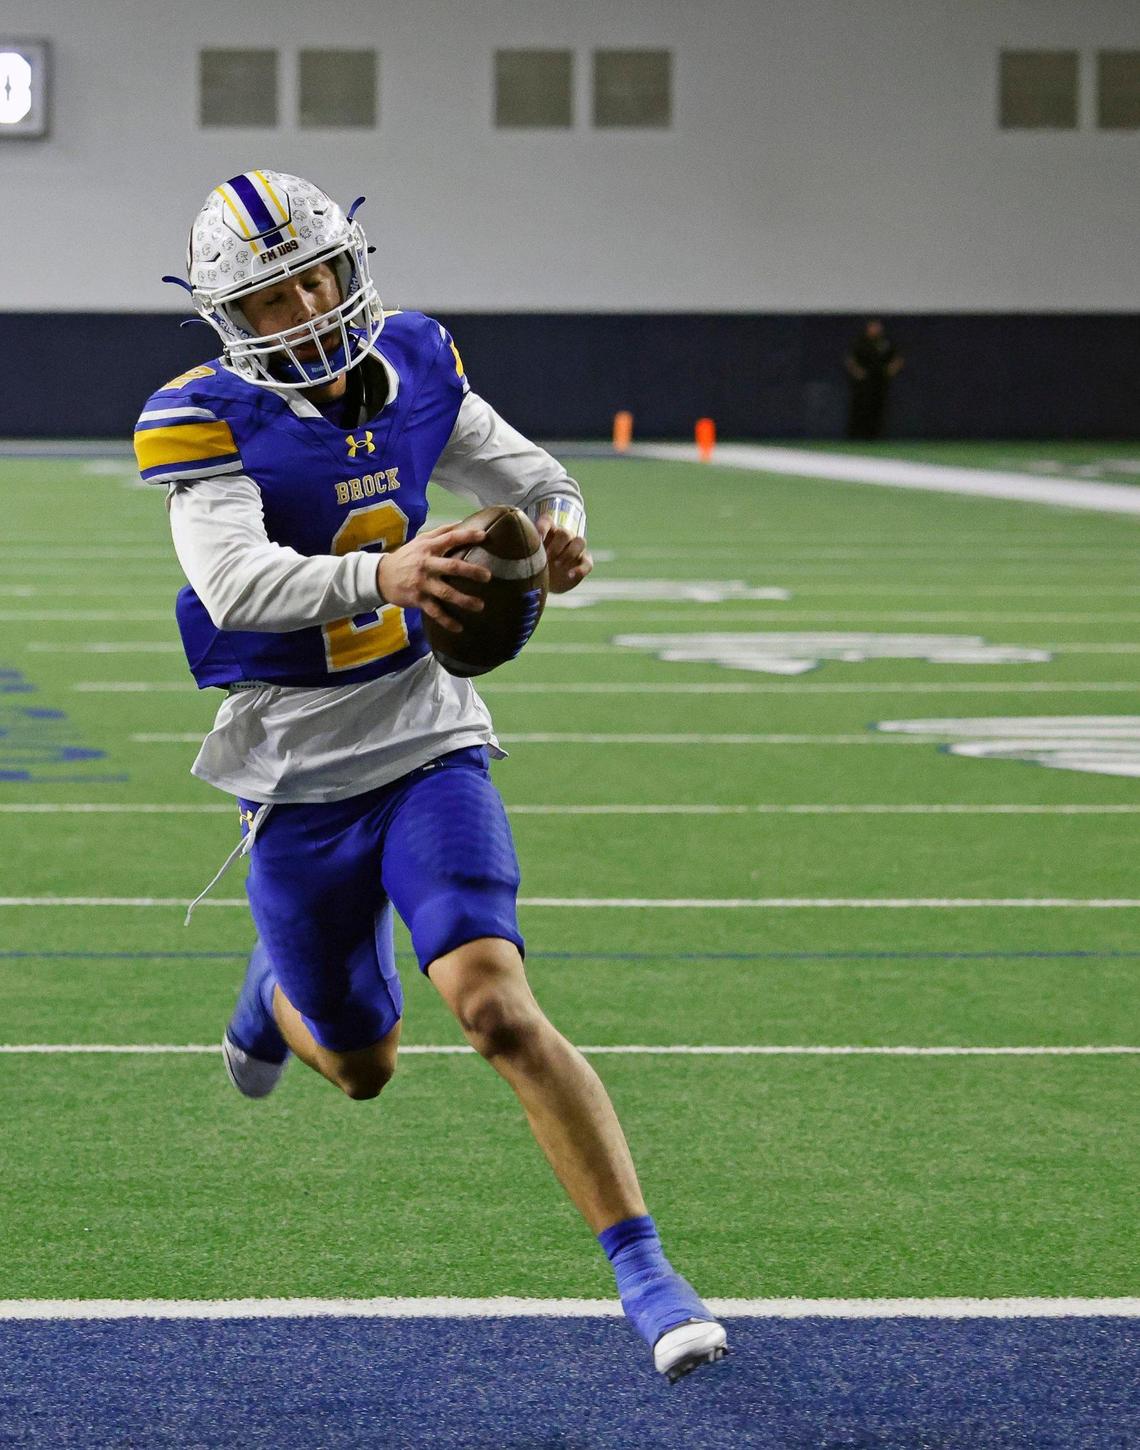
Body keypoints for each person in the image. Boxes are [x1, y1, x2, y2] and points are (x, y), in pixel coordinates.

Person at [132, 170, 726, 1383]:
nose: (300, 307)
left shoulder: (416, 365)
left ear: (350, 265)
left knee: (496, 1004)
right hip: (295, 770)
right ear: (225, 321)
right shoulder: (201, 416)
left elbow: (531, 474)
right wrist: (388, 575)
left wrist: (558, 525)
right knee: (360, 1064)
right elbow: (236, 586)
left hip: (425, 738)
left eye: (312, 274)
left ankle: (647, 1271)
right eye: (267, 294)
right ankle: (271, 997)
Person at [844, 318, 904, 440]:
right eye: (873, 327)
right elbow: (850, 360)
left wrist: (890, 370)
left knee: (879, 410)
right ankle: (857, 437)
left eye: (877, 327)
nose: (875, 329)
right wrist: (858, 372)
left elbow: (898, 358)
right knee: (861, 409)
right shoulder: (860, 342)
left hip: (880, 381)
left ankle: (877, 436)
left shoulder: (886, 342)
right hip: (864, 384)